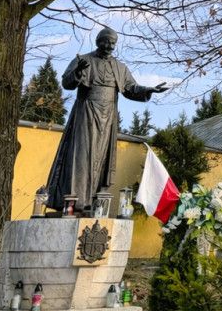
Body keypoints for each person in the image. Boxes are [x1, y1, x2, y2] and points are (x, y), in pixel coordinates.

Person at [44, 28, 168, 213]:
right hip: (86, 113)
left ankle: (94, 203)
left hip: (108, 116)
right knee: (82, 156)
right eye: (106, 41)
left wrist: (149, 89)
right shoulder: (83, 60)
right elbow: (66, 83)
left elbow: (130, 88)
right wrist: (77, 72)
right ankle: (75, 202)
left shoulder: (119, 67)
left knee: (101, 159)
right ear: (98, 41)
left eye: (113, 43)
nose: (110, 46)